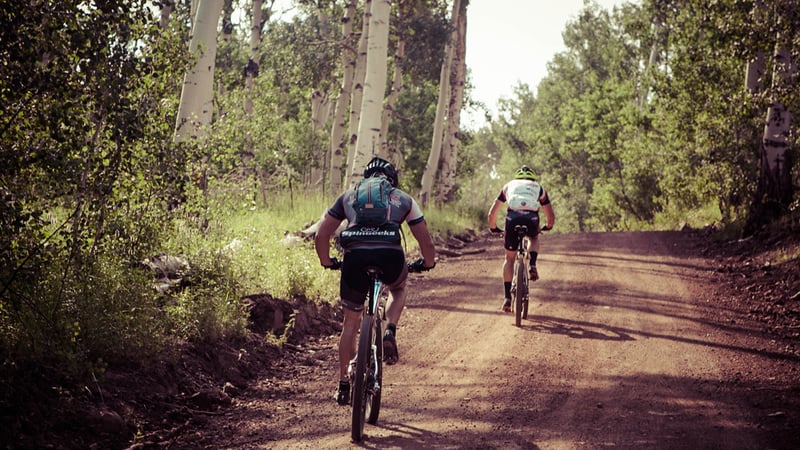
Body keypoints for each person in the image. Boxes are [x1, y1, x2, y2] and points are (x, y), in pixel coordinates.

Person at [314, 156, 437, 405]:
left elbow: (321, 234)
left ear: (366, 179)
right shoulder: (403, 198)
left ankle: (343, 384)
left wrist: (327, 261)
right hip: (390, 256)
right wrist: (427, 262)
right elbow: (425, 240)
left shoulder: (349, 196)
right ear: (391, 180)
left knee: (350, 323)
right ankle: (389, 329)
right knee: (399, 287)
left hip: (355, 259)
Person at [487, 165, 555, 312]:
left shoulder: (508, 186)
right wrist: (548, 226)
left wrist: (493, 227)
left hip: (512, 219)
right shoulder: (539, 188)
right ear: (532, 177)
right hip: (531, 218)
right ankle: (532, 265)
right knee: (534, 237)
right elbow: (550, 215)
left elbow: (492, 213)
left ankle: (507, 298)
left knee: (509, 259)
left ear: (516, 177)